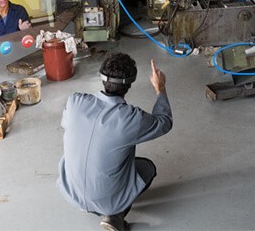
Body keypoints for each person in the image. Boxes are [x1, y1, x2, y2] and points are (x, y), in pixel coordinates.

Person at [57, 53, 173, 231]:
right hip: (106, 203)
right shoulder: (131, 118)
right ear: (129, 85)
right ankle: (115, 216)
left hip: (71, 193)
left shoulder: (75, 102)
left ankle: (91, 203)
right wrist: (160, 88)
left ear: (102, 78)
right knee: (147, 168)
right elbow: (164, 122)